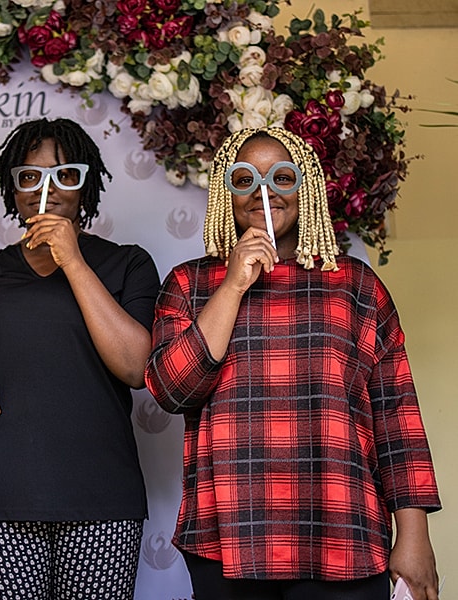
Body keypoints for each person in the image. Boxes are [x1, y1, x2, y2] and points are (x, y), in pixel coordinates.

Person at [144, 127, 441, 600]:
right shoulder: (190, 284)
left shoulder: (356, 286)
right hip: (230, 539)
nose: (264, 192)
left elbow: (396, 419)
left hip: (342, 531)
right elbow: (171, 391)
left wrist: (415, 535)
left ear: (305, 190)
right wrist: (233, 285)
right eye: (246, 179)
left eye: (281, 177)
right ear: (227, 192)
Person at [0, 117, 160, 599]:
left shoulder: (128, 263)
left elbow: (137, 368)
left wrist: (72, 259)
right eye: (29, 176)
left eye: (63, 175)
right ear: (13, 189)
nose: (45, 190)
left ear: (85, 184)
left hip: (102, 499)